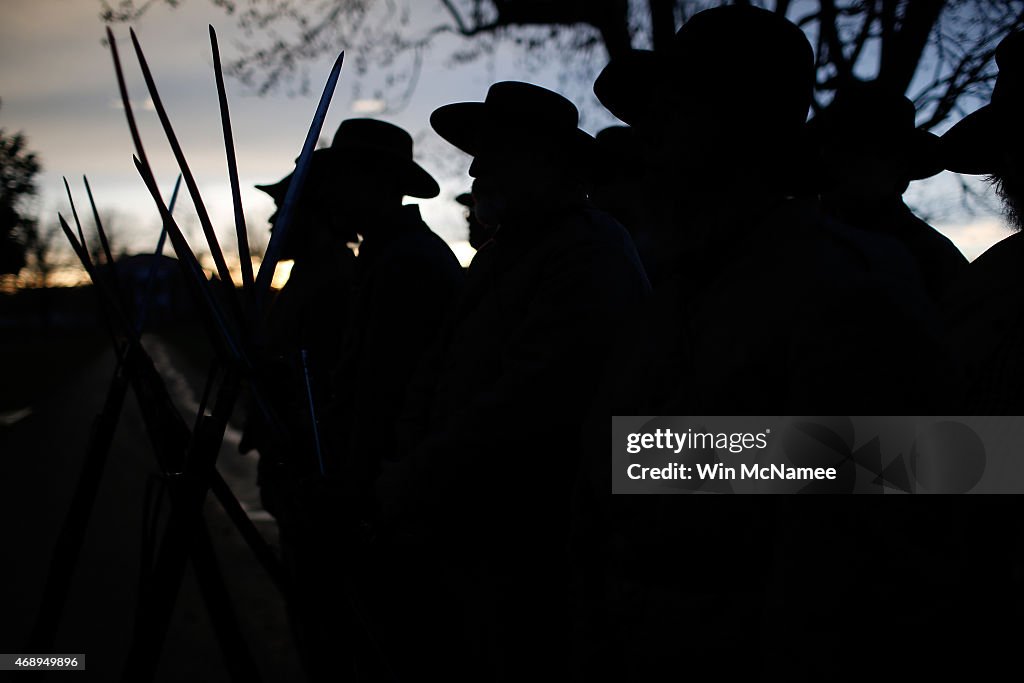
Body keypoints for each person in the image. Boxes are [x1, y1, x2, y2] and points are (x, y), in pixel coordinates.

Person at [586, 5, 952, 677]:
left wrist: (653, 458)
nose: (647, 144)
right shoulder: (681, 283)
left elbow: (943, 467)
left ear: (735, 126)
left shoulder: (848, 279)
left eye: (670, 115)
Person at [377, 81, 650, 680]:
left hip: (534, 542)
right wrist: (411, 455)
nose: (476, 171)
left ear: (548, 164)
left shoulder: (590, 249)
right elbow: (443, 367)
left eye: (495, 154)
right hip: (475, 528)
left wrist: (418, 472)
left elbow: (534, 396)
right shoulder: (504, 255)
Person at [812, 81, 967, 302]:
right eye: (833, 149)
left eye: (862, 152)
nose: (839, 163)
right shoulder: (793, 240)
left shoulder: (931, 259)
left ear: (900, 170)